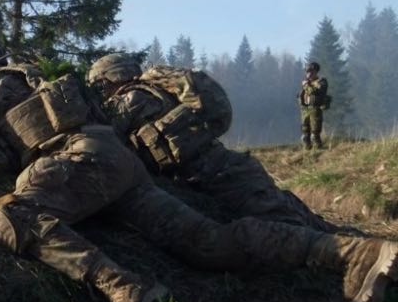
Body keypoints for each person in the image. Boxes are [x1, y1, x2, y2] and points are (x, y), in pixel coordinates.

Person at [0, 33, 397, 302]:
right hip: (115, 165)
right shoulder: (32, 81)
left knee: (8, 214)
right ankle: (352, 252)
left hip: (79, 162)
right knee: (210, 243)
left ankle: (123, 287)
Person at [86, 53, 336, 232]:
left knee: (288, 226)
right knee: (288, 208)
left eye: (100, 85)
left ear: (109, 79)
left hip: (216, 174)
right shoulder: (157, 92)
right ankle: (340, 235)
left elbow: (102, 134)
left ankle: (347, 250)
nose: (101, 92)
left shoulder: (131, 100)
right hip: (228, 165)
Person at [298, 61, 330, 150]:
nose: (309, 74)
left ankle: (318, 150)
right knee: (305, 133)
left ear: (316, 72)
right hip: (305, 109)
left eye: (311, 71)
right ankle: (307, 150)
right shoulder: (306, 82)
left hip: (315, 109)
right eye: (307, 72)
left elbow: (315, 91)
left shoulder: (321, 82)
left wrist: (307, 85)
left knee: (314, 133)